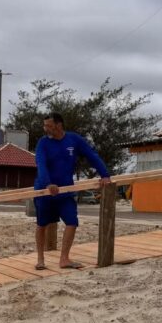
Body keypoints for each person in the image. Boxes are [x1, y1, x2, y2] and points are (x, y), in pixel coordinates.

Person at [34, 113, 110, 270]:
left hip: (66, 191)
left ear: (59, 125)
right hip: (45, 190)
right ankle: (40, 259)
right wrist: (48, 183)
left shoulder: (73, 140)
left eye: (48, 125)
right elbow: (41, 164)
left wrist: (105, 175)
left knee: (72, 222)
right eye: (44, 125)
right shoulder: (43, 143)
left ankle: (64, 259)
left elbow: (92, 155)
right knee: (42, 224)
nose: (45, 128)